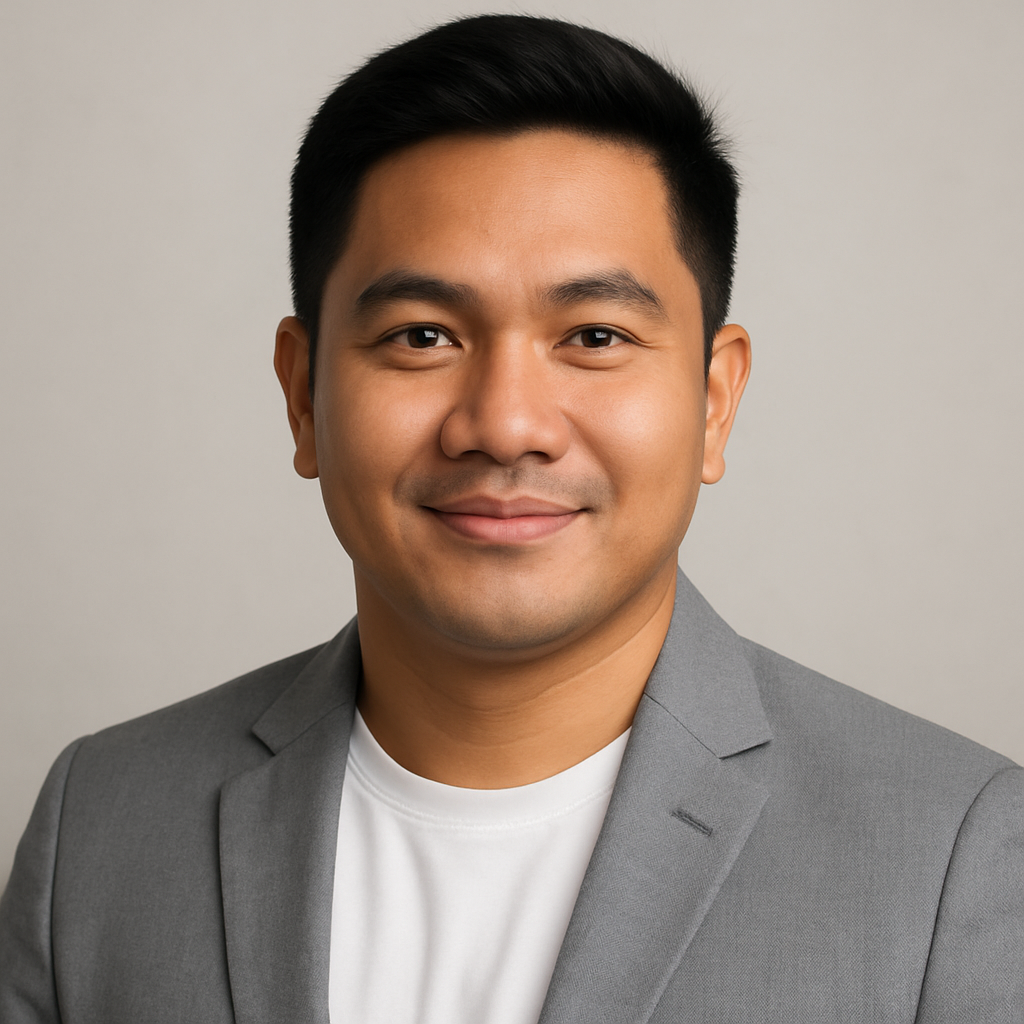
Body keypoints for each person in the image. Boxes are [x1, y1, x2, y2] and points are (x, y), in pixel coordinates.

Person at [1, 13, 1020, 1023]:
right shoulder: (102, 822)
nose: (505, 424)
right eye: (423, 334)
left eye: (592, 334)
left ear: (713, 401)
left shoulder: (953, 854)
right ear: (302, 393)